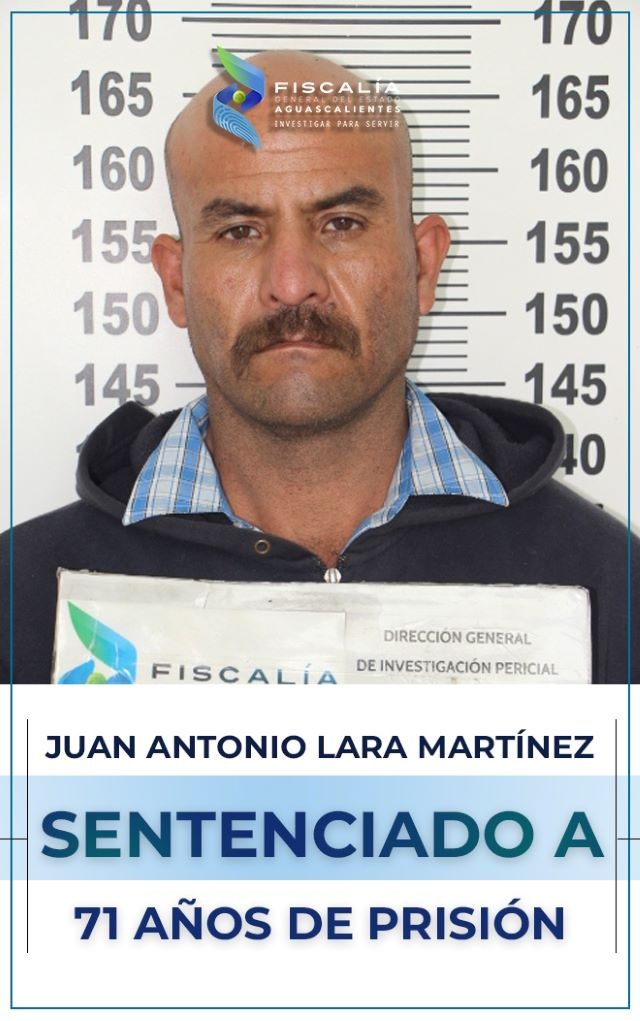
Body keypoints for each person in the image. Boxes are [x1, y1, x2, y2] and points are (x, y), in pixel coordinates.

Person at [1, 51, 637, 684]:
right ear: (176, 283)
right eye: (240, 231)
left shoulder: (610, 584)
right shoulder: (22, 598)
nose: (292, 283)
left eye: (341, 223)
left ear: (423, 265)